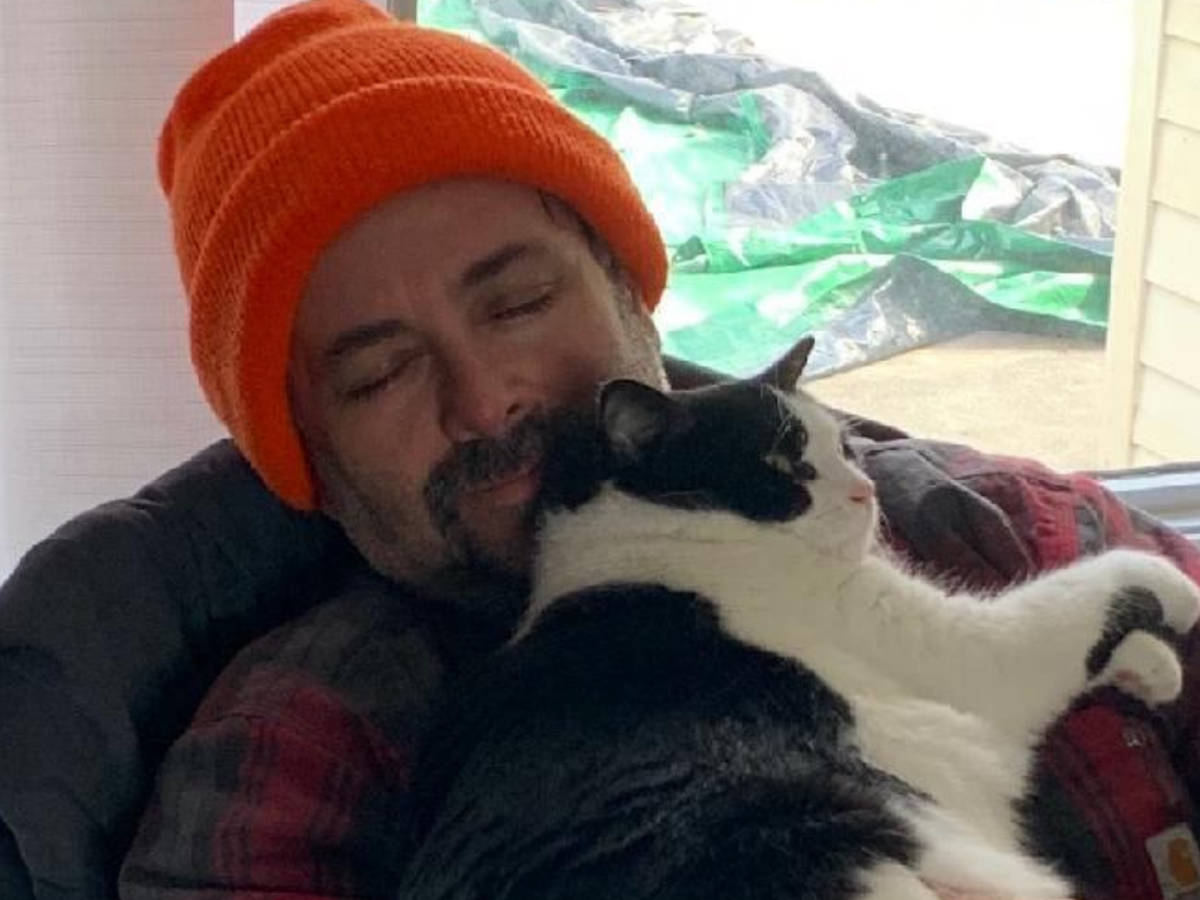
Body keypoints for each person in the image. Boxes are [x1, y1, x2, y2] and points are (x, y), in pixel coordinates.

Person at [0, 2, 1197, 899]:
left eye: (519, 302)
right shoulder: (302, 759)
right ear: (308, 459)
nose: (487, 401)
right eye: (379, 374)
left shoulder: (1011, 532)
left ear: (633, 292)